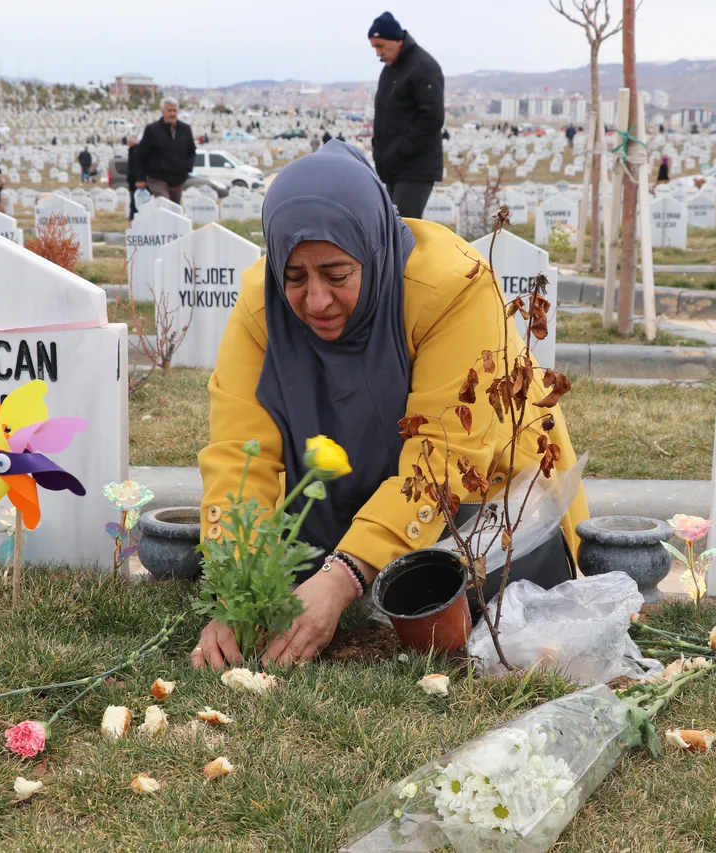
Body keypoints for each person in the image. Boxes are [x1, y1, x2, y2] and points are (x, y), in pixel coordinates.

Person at [190, 142, 588, 669]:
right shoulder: (261, 304)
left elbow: (445, 456)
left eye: (337, 275)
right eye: (294, 277)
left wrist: (341, 578)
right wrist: (236, 590)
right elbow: (238, 455)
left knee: (461, 597)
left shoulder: (453, 286)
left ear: (373, 251)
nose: (315, 300)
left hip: (487, 500)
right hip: (349, 502)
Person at [369, 11, 444, 219]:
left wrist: (400, 150)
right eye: (374, 47)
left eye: (381, 46)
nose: (378, 53)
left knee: (403, 228)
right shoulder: (390, 70)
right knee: (392, 227)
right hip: (393, 167)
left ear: (397, 40)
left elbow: (432, 117)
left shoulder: (423, 67)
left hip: (415, 168)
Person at [137, 97, 196, 204]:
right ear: (163, 112)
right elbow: (142, 154)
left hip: (178, 179)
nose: (172, 114)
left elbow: (191, 150)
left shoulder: (185, 129)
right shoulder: (152, 130)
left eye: (175, 111)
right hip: (158, 178)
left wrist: (187, 168)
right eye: (169, 111)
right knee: (165, 205)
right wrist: (140, 178)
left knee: (175, 208)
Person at [126, 135, 144, 220]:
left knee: (135, 200)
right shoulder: (134, 151)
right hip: (135, 180)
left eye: (129, 143)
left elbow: (135, 168)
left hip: (136, 181)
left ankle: (133, 216)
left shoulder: (135, 152)